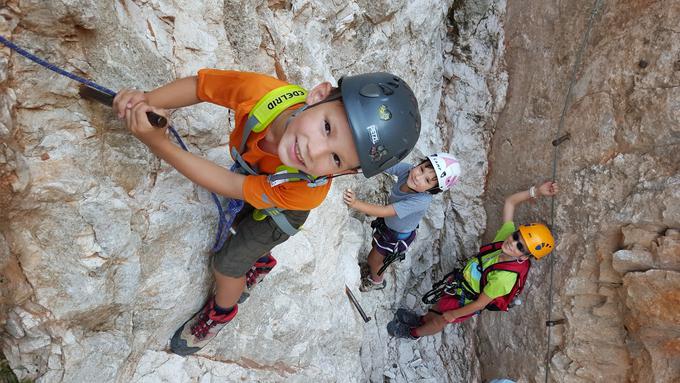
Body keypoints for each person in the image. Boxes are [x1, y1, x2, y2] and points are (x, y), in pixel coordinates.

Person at [113, 70, 421, 355]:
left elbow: (230, 184)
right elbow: (200, 87)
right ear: (317, 95)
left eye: (336, 159)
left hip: (282, 212)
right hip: (261, 182)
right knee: (247, 223)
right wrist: (145, 103)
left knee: (227, 265)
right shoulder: (264, 94)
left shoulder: (305, 189)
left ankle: (221, 313)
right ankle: (261, 261)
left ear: (348, 172)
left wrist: (159, 145)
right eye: (327, 127)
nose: (313, 151)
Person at [387, 181, 558, 339]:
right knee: (438, 307)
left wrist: (455, 314)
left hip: (466, 300)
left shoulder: (504, 278)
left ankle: (413, 333)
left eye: (520, 247)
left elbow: (479, 304)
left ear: (525, 257)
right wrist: (537, 191)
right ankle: (422, 320)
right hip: (461, 284)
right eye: (515, 237)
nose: (512, 243)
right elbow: (510, 203)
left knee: (441, 319)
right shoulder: (505, 241)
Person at [343, 153, 462, 292]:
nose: (418, 177)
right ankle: (375, 268)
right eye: (422, 169)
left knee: (373, 260)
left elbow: (385, 211)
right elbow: (386, 166)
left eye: (427, 180)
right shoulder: (408, 171)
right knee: (375, 247)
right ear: (420, 163)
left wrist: (355, 203)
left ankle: (377, 282)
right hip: (390, 225)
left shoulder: (420, 201)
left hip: (396, 236)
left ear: (432, 190)